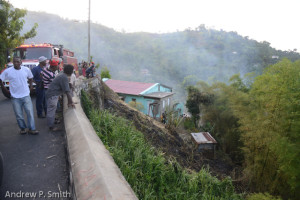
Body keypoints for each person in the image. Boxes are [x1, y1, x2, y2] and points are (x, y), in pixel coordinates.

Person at [0, 57, 39, 135]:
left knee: (30, 113)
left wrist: (31, 86)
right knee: (19, 115)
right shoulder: (8, 71)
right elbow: (1, 79)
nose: (16, 63)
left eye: (18, 62)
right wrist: (4, 89)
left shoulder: (26, 70)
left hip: (26, 95)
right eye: (14, 62)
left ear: (21, 62)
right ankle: (23, 128)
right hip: (15, 97)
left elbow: (30, 78)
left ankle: (32, 129)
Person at [46, 64, 75, 131]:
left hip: (52, 94)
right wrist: (71, 102)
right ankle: (51, 127)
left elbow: (65, 85)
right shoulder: (64, 77)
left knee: (52, 110)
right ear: (71, 72)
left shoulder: (62, 75)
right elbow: (67, 91)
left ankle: (52, 122)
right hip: (52, 95)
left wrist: (69, 85)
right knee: (51, 111)